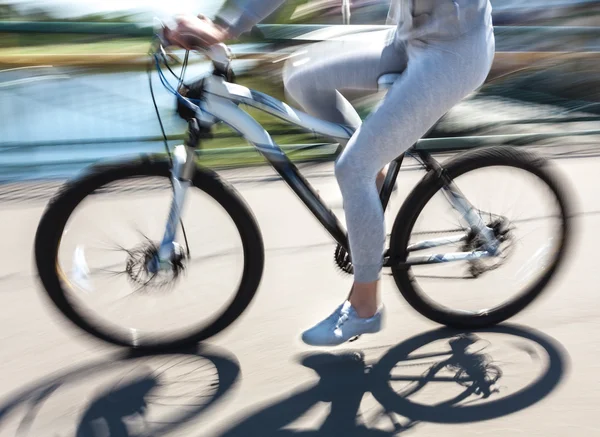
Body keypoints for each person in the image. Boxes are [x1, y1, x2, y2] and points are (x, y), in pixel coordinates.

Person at [165, 0, 495, 347]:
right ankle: (373, 172)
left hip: (453, 55)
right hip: (408, 39)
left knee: (352, 169)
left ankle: (366, 308)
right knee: (302, 75)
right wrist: (223, 28)